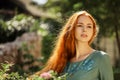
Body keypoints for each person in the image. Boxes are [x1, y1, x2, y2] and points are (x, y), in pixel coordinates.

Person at [28, 11, 114, 80]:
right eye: (80, 25)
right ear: (72, 29)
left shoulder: (101, 58)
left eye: (89, 26)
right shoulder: (63, 62)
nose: (85, 30)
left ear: (93, 32)